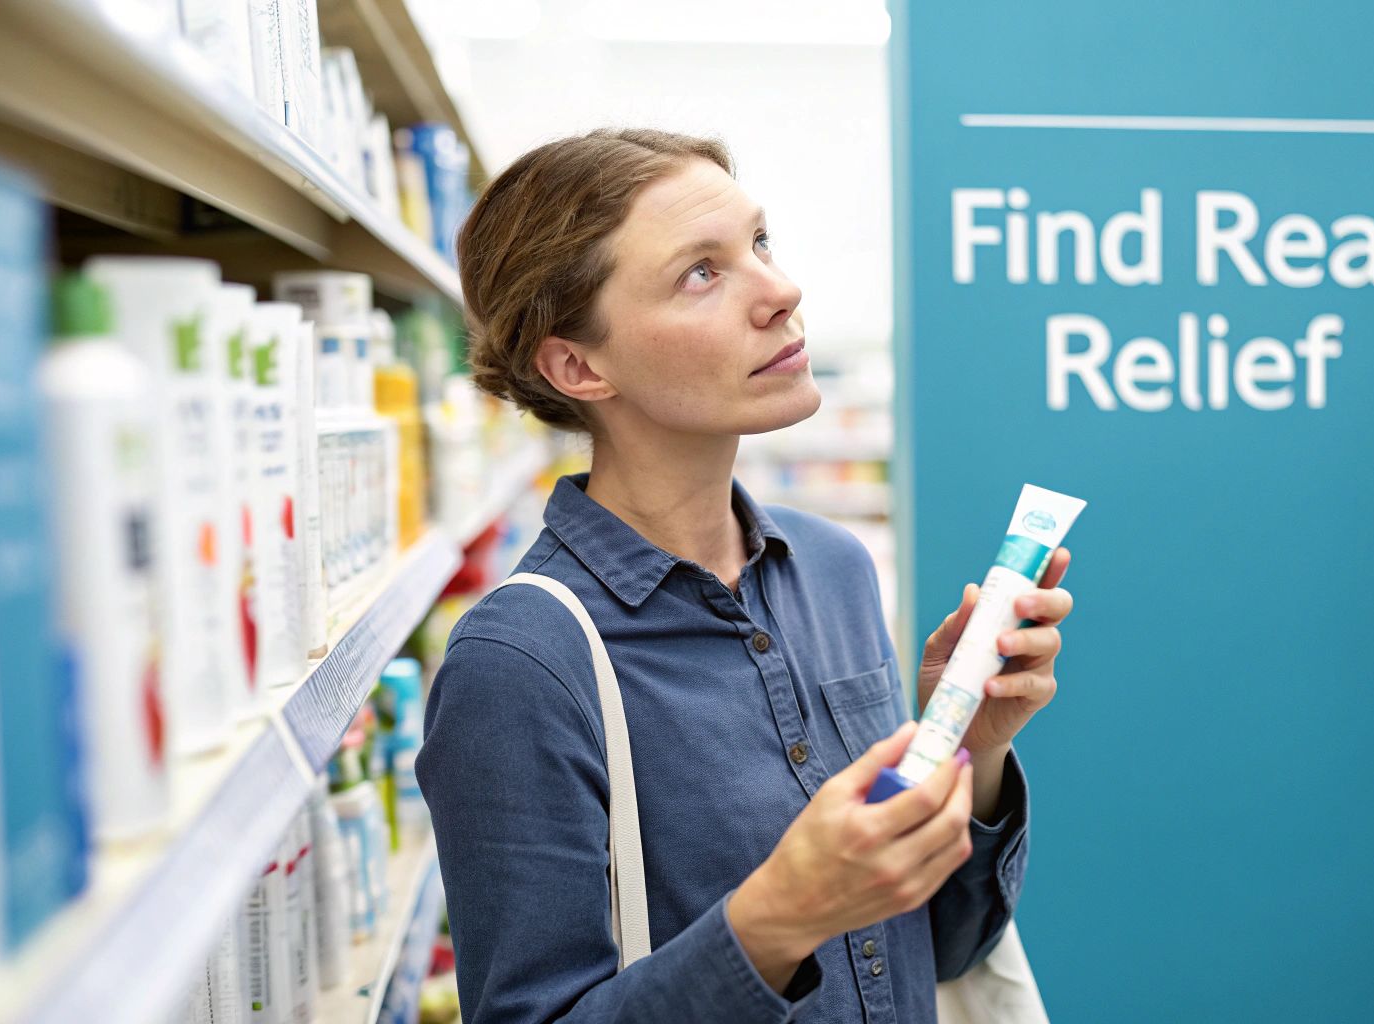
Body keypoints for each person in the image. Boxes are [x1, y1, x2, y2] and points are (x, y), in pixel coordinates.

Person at [416, 127, 1075, 1024]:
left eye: (758, 243)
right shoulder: (520, 664)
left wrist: (972, 742)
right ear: (578, 365)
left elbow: (943, 948)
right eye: (701, 272)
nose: (781, 291)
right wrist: (779, 918)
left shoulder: (832, 572)